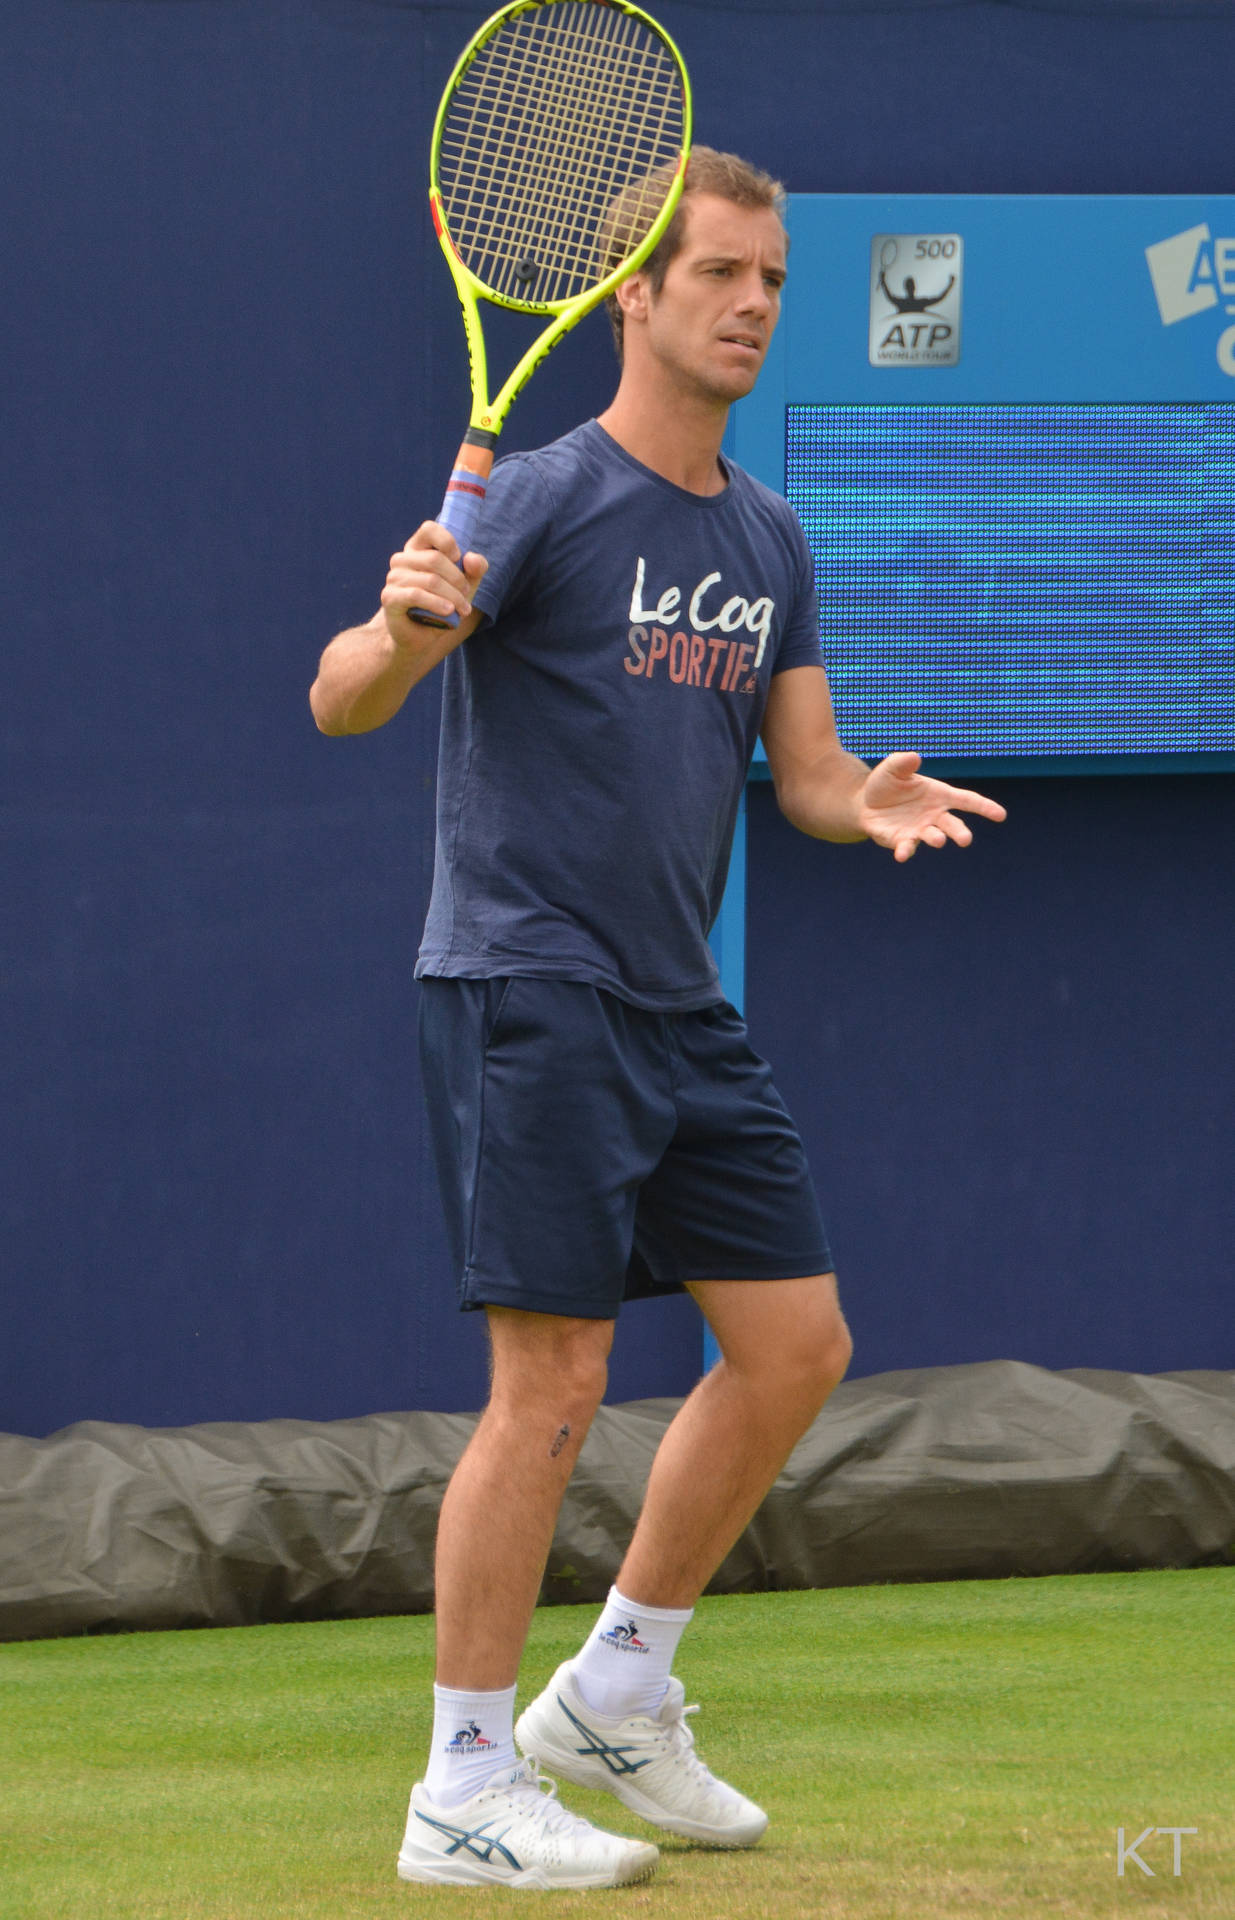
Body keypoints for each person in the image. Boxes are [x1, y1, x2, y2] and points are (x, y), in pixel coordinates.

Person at [310, 148, 1006, 1892]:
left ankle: (617, 1690)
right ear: (636, 293)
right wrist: (402, 635)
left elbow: (809, 773)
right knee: (549, 1386)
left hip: (677, 1007)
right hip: (526, 981)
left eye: (773, 276)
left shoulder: (767, 534)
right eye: (723, 275)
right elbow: (345, 697)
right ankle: (463, 1787)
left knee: (796, 1347)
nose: (757, 301)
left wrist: (865, 799)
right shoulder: (538, 494)